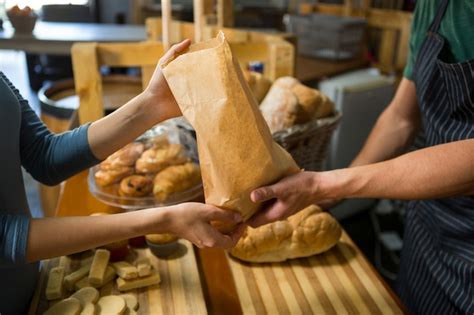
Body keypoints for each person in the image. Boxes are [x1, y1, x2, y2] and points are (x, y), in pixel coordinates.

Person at [247, 0, 474, 314]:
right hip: (427, 222)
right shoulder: (433, 6)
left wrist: (325, 185)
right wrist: (327, 196)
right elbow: (401, 119)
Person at [0, 39, 243, 314]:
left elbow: (43, 155)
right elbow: (4, 237)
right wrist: (163, 219)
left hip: (31, 285)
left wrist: (152, 104)